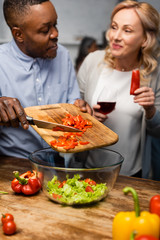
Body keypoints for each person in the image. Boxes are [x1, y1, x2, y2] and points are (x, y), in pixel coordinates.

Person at [76, 0, 160, 178]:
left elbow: (157, 132)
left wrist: (151, 111)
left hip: (131, 174)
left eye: (127, 30)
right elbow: (75, 111)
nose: (116, 36)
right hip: (89, 168)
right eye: (114, 27)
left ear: (145, 39)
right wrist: (87, 117)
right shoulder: (92, 61)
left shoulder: (154, 74)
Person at [0, 0, 92, 159]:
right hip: (13, 165)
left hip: (58, 161)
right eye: (44, 30)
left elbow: (73, 102)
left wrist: (80, 108)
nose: (55, 34)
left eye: (55, 25)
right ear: (19, 34)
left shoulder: (62, 55)